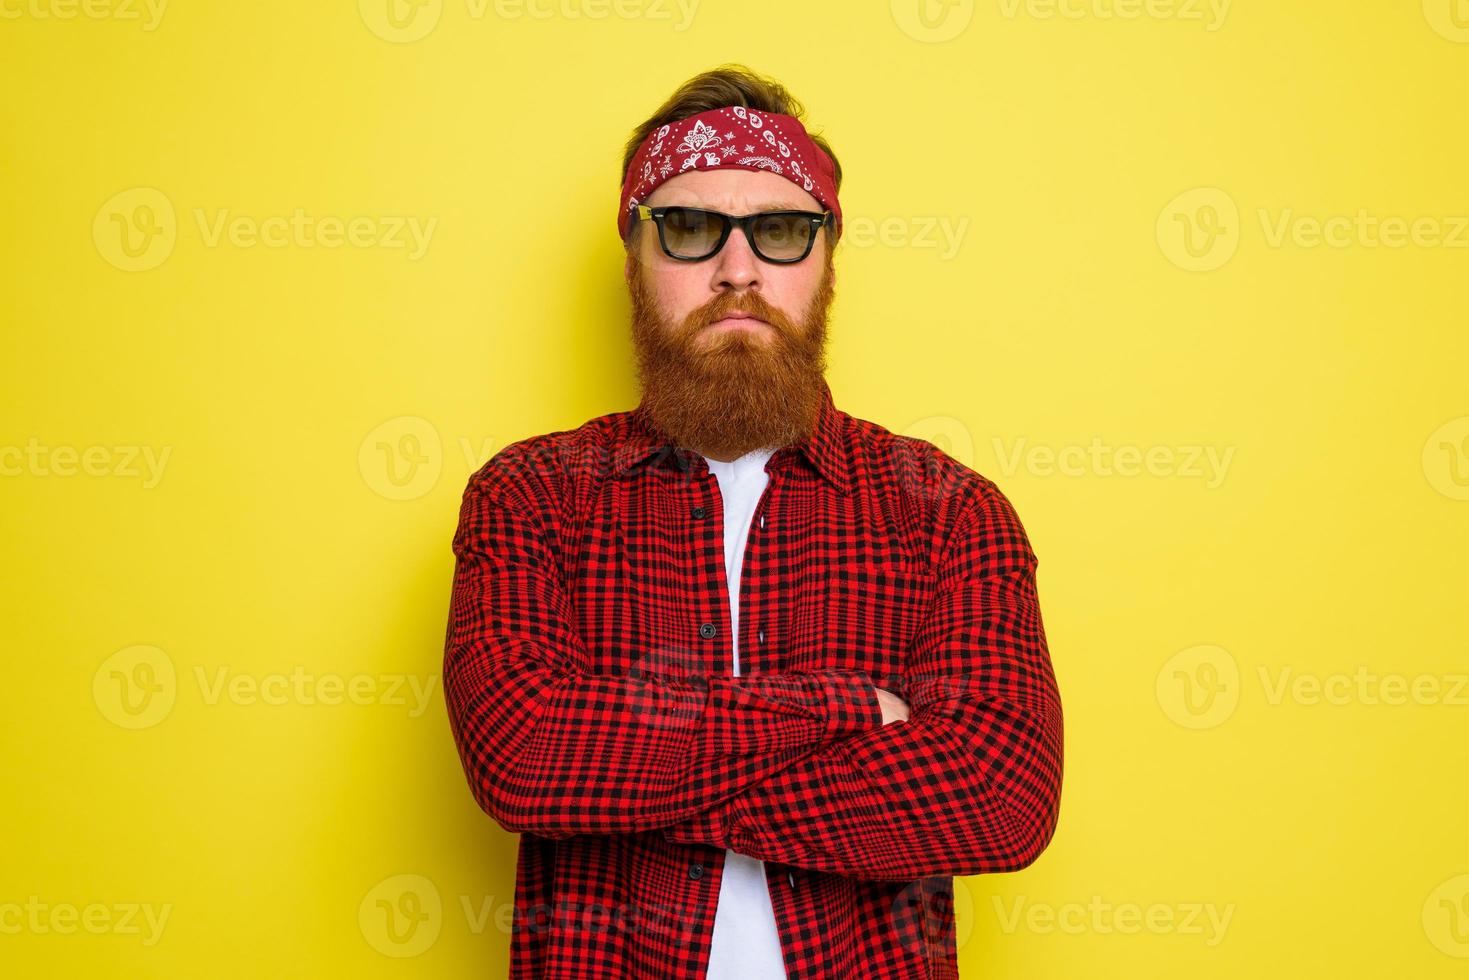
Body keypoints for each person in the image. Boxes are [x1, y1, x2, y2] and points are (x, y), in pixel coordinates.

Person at [442, 64, 1064, 979]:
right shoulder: (533, 495)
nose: (738, 271)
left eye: (778, 231)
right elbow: (524, 753)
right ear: (634, 258)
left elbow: (1001, 799)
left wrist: (624, 778)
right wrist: (852, 709)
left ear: (826, 262)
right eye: (689, 229)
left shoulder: (947, 509)